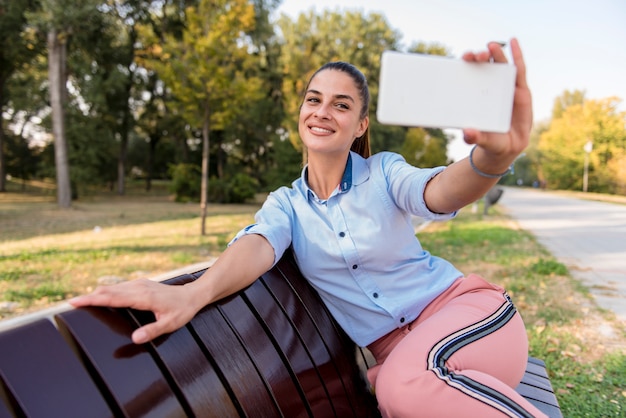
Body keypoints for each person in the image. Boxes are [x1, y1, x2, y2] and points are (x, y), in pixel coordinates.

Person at [71, 38, 546, 417]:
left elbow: (438, 191)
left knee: (401, 388)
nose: (322, 111)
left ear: (360, 125)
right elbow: (257, 243)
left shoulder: (384, 172)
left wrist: (492, 158)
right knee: (401, 389)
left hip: (471, 323)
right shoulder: (287, 206)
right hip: (418, 367)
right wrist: (192, 293)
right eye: (313, 99)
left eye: (340, 105)